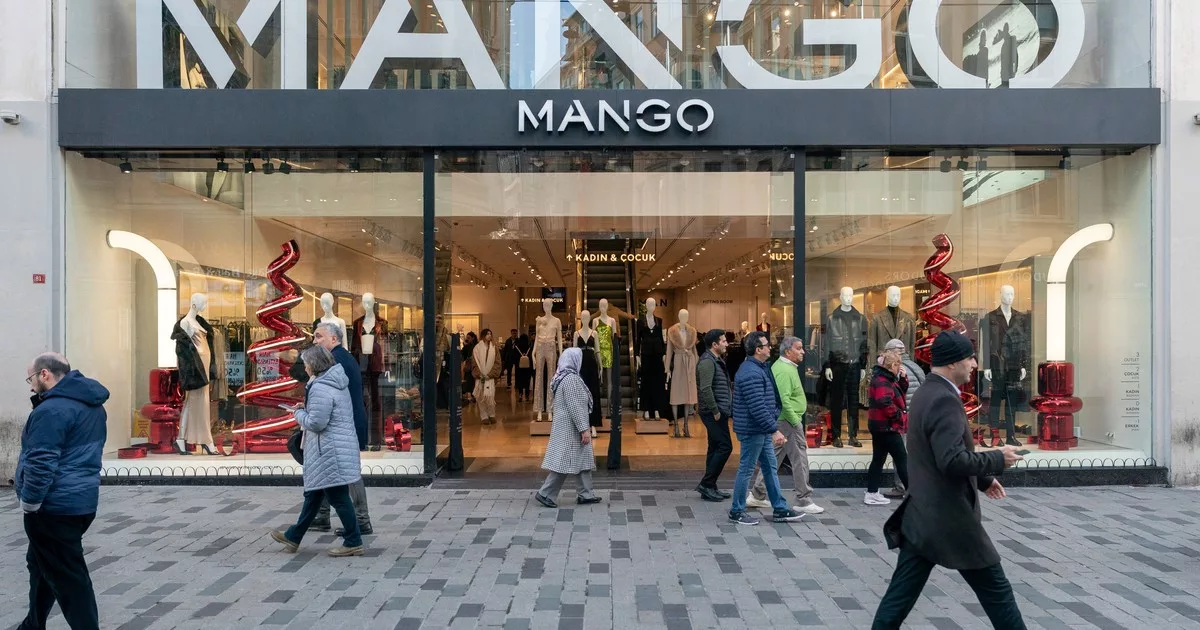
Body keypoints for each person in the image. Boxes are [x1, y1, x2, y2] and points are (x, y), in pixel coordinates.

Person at [873, 330, 1026, 629]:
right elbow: (951, 459)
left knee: (899, 597)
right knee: (997, 592)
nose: (974, 364)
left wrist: (983, 481)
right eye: (970, 358)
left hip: (922, 515)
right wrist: (998, 458)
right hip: (950, 517)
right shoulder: (944, 399)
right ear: (953, 362)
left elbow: (938, 454)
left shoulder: (927, 392)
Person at [17, 353, 107, 630]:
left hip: (53, 507)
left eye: (31, 379)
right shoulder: (91, 405)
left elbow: (41, 461)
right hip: (81, 502)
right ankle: (32, 626)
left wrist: (30, 502)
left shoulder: (52, 410)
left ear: (44, 374)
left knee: (69, 580)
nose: (31, 386)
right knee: (41, 566)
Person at [270, 345, 365, 557]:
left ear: (314, 365)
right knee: (313, 495)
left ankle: (354, 540)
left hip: (328, 451)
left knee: (337, 496)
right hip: (333, 448)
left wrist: (298, 414)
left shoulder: (320, 387)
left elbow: (316, 423)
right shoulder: (334, 382)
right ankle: (294, 536)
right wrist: (306, 408)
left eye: (305, 364)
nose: (304, 368)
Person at [728, 332, 804, 525]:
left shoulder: (758, 368)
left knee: (770, 468)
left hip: (759, 429)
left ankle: (780, 508)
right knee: (746, 469)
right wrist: (774, 430)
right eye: (766, 345)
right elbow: (757, 407)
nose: (770, 347)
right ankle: (736, 511)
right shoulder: (751, 373)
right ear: (758, 350)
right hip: (753, 430)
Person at [308, 323, 373, 536]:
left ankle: (361, 519)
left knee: (349, 473)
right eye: (314, 337)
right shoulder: (342, 357)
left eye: (319, 336)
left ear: (334, 339)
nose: (315, 341)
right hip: (346, 423)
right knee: (329, 469)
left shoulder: (335, 360)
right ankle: (323, 515)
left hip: (343, 426)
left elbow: (330, 396)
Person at [747, 336, 824, 514]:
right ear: (788, 351)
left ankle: (757, 494)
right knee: (799, 458)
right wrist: (795, 421)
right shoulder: (783, 370)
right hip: (788, 421)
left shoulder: (785, 367)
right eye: (799, 348)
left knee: (772, 458)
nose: (803, 351)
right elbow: (783, 400)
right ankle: (803, 499)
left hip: (784, 420)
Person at [534, 348, 602, 508]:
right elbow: (575, 406)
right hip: (571, 430)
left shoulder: (562, 377)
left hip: (568, 428)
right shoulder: (571, 379)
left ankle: (586, 494)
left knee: (582, 461)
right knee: (563, 463)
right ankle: (545, 493)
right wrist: (584, 429)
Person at [865, 342, 910, 506]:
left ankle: (872, 493)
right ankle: (914, 494)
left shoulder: (886, 378)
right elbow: (884, 402)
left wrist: (903, 378)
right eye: (898, 364)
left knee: (878, 458)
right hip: (887, 427)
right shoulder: (883, 380)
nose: (900, 367)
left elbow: (899, 392)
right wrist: (898, 416)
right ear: (892, 365)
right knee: (902, 459)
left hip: (881, 426)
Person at [695, 329, 733, 502]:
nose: (726, 344)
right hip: (713, 412)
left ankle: (710, 487)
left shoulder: (716, 360)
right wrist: (715, 410)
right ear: (714, 344)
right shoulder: (707, 362)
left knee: (715, 447)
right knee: (725, 446)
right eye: (723, 341)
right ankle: (707, 483)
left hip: (719, 410)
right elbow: (705, 388)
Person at [887, 338, 925, 498]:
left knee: (901, 454)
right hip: (917, 416)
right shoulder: (917, 367)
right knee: (915, 452)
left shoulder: (896, 369)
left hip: (902, 417)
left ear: (892, 352)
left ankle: (902, 487)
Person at [472, 328, 502, 424]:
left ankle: (491, 414)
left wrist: (491, 374)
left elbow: (497, 363)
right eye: (487, 334)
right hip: (480, 377)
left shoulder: (494, 348)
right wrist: (479, 374)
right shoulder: (477, 348)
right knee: (481, 397)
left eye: (490, 334)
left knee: (490, 396)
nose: (489, 336)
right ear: (483, 335)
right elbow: (474, 363)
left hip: (490, 378)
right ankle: (484, 416)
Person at [515, 328, 534, 402]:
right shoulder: (529, 347)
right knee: (527, 381)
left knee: (520, 381)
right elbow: (531, 357)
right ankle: (526, 395)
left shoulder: (517, 347)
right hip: (527, 368)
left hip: (519, 368)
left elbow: (515, 357)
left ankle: (520, 394)